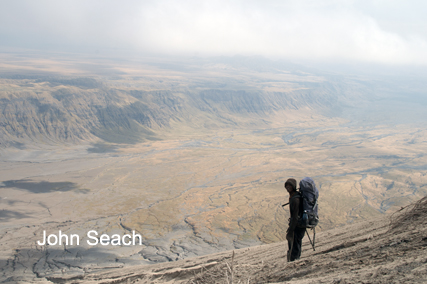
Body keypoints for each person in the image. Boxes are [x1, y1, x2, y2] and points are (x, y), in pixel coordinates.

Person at [284, 178, 306, 262]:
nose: (288, 187)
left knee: (294, 247)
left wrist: (290, 231)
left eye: (290, 185)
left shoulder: (295, 199)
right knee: (295, 245)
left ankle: (293, 263)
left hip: (297, 227)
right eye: (286, 186)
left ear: (294, 186)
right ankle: (294, 261)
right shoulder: (294, 196)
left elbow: (295, 217)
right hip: (298, 226)